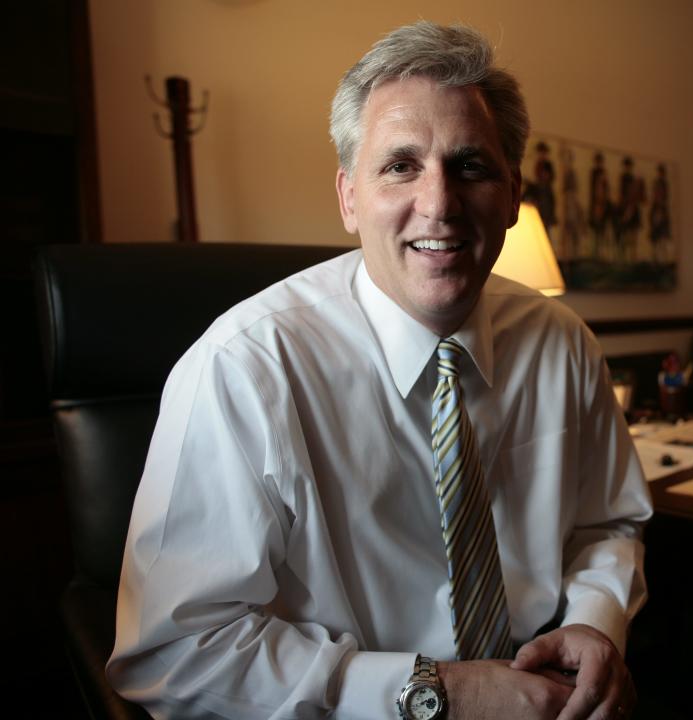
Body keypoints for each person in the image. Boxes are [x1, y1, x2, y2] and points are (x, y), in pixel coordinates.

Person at [107, 21, 652, 720]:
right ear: (348, 198)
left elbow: (607, 520)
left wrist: (594, 623)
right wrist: (439, 692)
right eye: (400, 166)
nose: (440, 204)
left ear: (513, 193)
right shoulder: (244, 368)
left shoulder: (562, 342)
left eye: (471, 166)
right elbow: (174, 652)